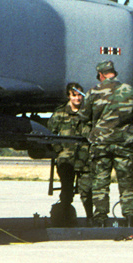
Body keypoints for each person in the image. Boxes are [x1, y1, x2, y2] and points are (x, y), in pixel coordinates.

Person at [85, 60, 133, 225]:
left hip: (101, 144)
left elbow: (84, 116)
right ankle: (130, 219)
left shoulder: (94, 91)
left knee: (100, 183)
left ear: (101, 75)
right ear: (113, 72)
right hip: (124, 143)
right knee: (127, 183)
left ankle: (101, 220)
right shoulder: (129, 91)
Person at [49, 82, 90, 222]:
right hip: (66, 159)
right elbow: (50, 134)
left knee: (87, 191)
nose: (77, 98)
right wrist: (59, 151)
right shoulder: (60, 113)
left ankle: (91, 218)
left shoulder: (88, 113)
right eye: (74, 95)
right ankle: (64, 218)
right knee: (66, 191)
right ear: (68, 96)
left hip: (85, 158)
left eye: (80, 95)